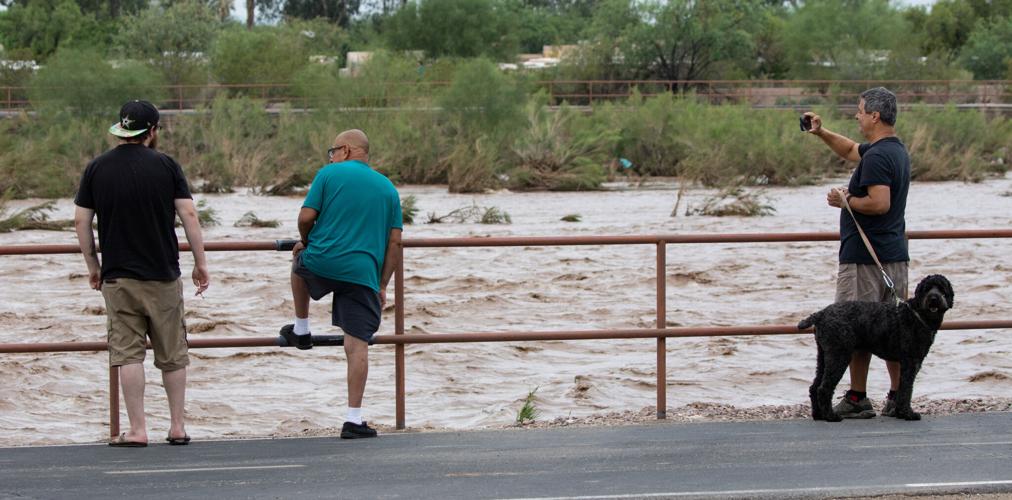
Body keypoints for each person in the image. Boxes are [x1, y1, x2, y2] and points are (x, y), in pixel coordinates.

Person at [74, 100, 210, 447]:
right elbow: (189, 216)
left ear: (122, 128)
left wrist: (93, 266)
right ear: (152, 132)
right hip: (163, 273)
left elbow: (81, 221)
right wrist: (200, 262)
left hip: (118, 276)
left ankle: (137, 430)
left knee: (127, 353)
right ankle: (177, 426)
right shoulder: (166, 165)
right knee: (172, 353)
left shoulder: (97, 168)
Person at [281, 129, 402, 439]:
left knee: (299, 264)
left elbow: (307, 216)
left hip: (324, 260)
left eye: (332, 150)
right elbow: (395, 244)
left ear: (346, 150)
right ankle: (353, 419)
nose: (330, 156)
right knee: (357, 345)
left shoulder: (329, 174)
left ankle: (302, 329)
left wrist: (306, 241)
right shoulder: (388, 189)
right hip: (363, 272)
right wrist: (382, 283)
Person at [803, 87, 910, 419]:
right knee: (894, 329)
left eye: (860, 111)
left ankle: (857, 397)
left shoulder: (877, 157)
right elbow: (850, 149)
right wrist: (820, 132)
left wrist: (843, 200)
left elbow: (879, 203)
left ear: (875, 116)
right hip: (893, 255)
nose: (857, 115)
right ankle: (897, 396)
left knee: (854, 328)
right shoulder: (894, 150)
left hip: (866, 259)